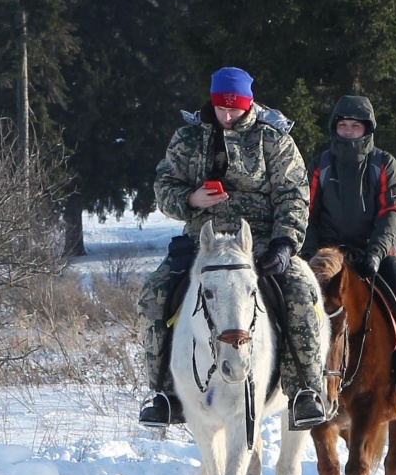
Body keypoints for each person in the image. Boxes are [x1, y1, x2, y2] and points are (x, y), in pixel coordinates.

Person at [137, 65, 328, 429]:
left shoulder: (273, 139)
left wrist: (285, 244)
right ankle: (162, 394)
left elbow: (294, 195)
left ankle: (305, 389)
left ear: (248, 103)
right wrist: (191, 198)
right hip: (202, 245)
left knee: (302, 293)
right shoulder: (188, 138)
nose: (227, 115)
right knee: (153, 295)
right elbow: (164, 187)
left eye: (235, 109)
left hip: (258, 245)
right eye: (221, 108)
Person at [302, 93, 396, 413]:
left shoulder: (384, 164)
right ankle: (296, 381)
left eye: (354, 127)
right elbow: (309, 213)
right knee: (295, 303)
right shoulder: (320, 164)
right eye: (342, 125)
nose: (347, 131)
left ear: (367, 130)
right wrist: (311, 254)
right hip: (329, 254)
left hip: (376, 251)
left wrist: (375, 252)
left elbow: (392, 214)